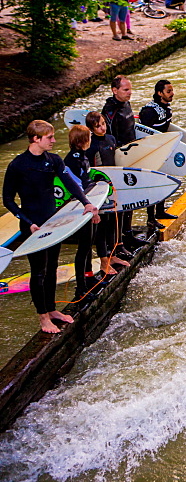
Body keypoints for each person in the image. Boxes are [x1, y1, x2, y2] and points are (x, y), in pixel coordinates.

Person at [2, 120, 99, 334]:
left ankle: (52, 309)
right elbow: (7, 200)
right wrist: (28, 222)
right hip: (32, 224)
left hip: (52, 222)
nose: (54, 141)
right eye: (49, 138)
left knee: (52, 266)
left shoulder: (53, 160)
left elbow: (70, 183)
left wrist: (87, 203)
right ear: (36, 139)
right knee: (38, 272)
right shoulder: (18, 165)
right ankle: (43, 317)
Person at [101, 75, 146, 250]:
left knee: (132, 196)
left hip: (131, 155)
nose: (130, 93)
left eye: (130, 89)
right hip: (118, 159)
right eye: (126, 90)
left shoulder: (126, 104)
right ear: (115, 90)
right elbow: (108, 138)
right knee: (121, 199)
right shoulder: (110, 111)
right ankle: (117, 242)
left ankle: (127, 234)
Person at [84, 111, 130, 274]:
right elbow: (90, 171)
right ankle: (103, 260)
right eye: (97, 126)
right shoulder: (91, 146)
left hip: (113, 186)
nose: (102, 128)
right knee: (102, 226)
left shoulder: (111, 139)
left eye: (103, 124)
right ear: (90, 129)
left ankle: (113, 253)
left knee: (113, 221)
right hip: (99, 190)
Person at [63, 125, 101, 296]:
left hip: (89, 201)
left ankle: (89, 275)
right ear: (84, 141)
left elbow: (85, 178)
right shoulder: (73, 159)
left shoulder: (83, 157)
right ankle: (80, 286)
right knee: (84, 246)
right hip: (80, 205)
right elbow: (78, 184)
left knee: (90, 241)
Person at [138, 80, 179, 223]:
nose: (172, 94)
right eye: (168, 91)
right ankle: (150, 218)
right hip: (151, 153)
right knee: (153, 183)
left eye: (172, 90)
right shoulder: (149, 111)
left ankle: (160, 212)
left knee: (163, 180)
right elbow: (144, 134)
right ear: (159, 93)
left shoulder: (166, 107)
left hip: (163, 150)